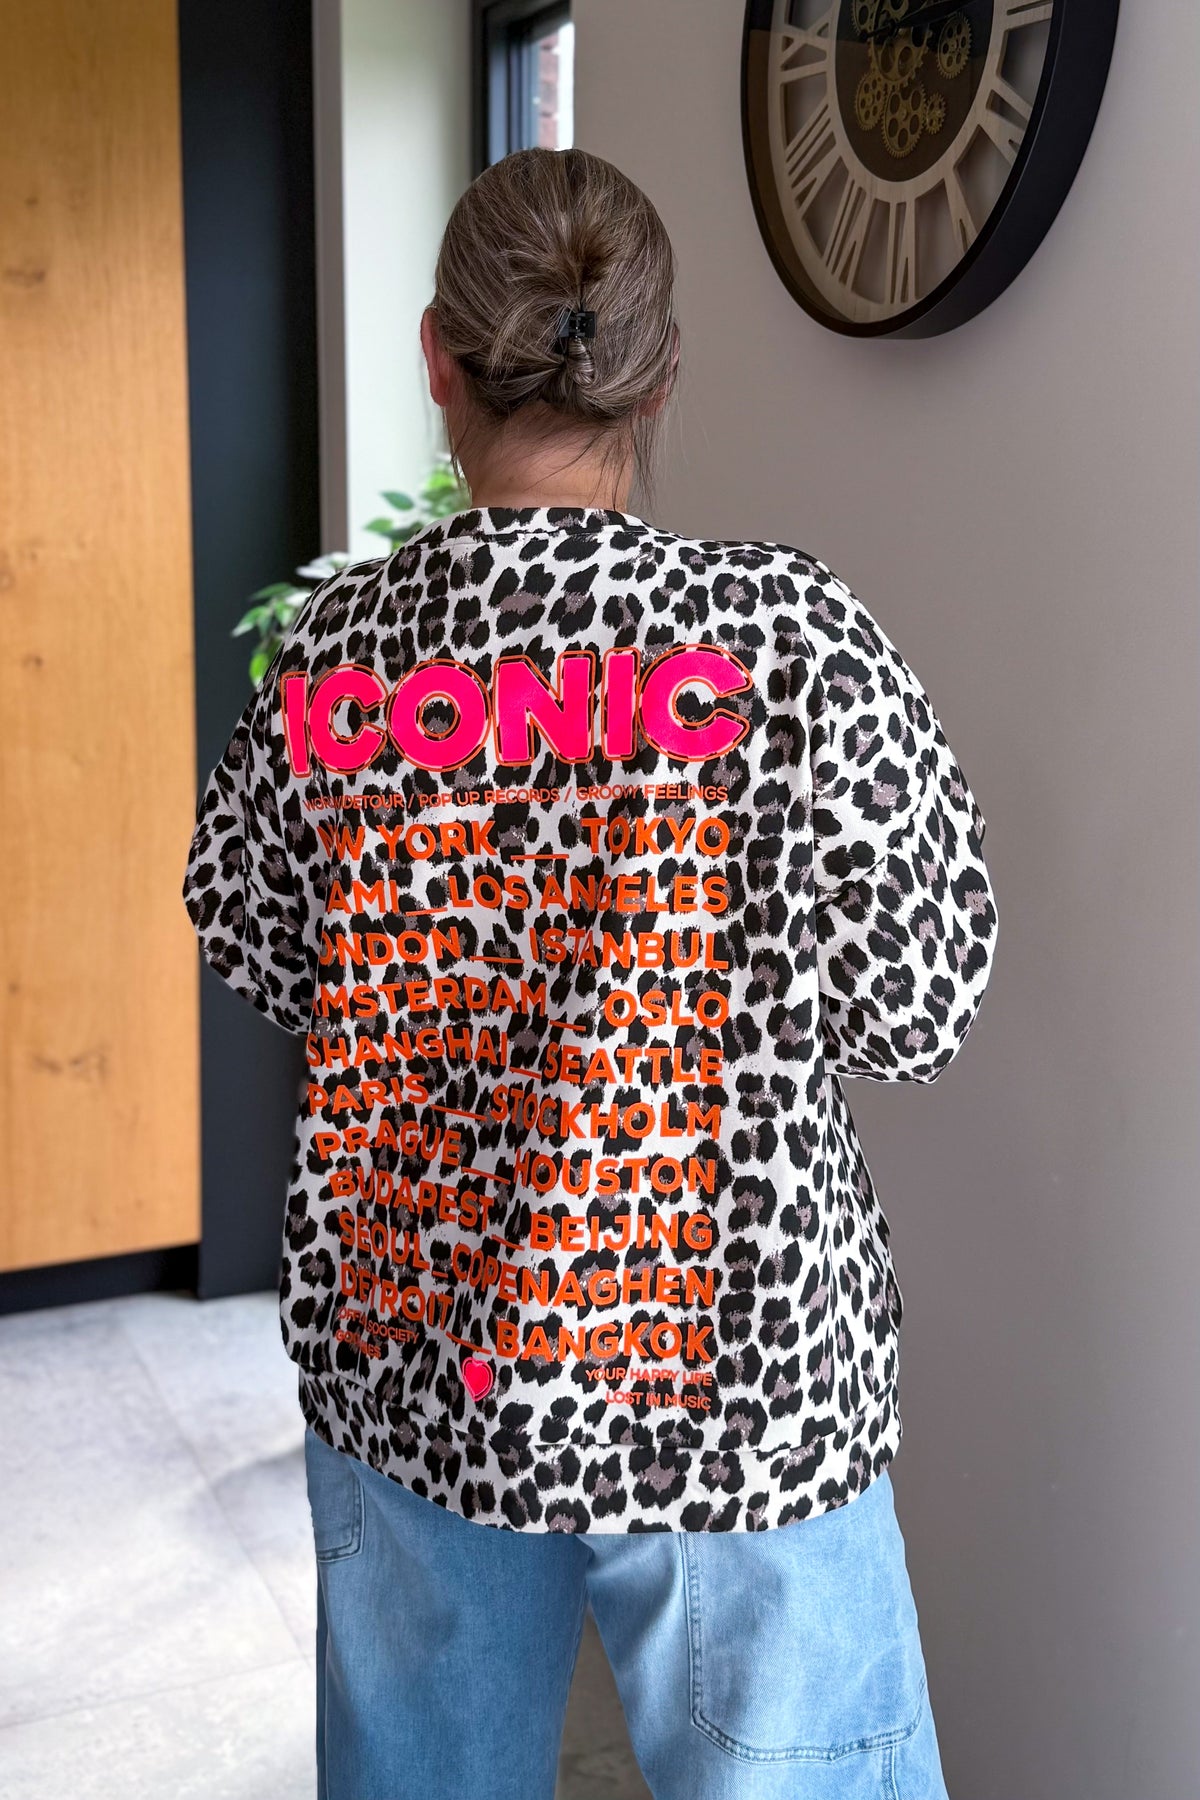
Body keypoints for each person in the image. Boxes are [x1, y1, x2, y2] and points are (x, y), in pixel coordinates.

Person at [182, 146, 997, 1800]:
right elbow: (920, 1007)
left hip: (420, 1353)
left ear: (437, 359)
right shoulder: (786, 641)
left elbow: (260, 950)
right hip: (736, 1382)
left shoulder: (329, 660)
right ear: (661, 372)